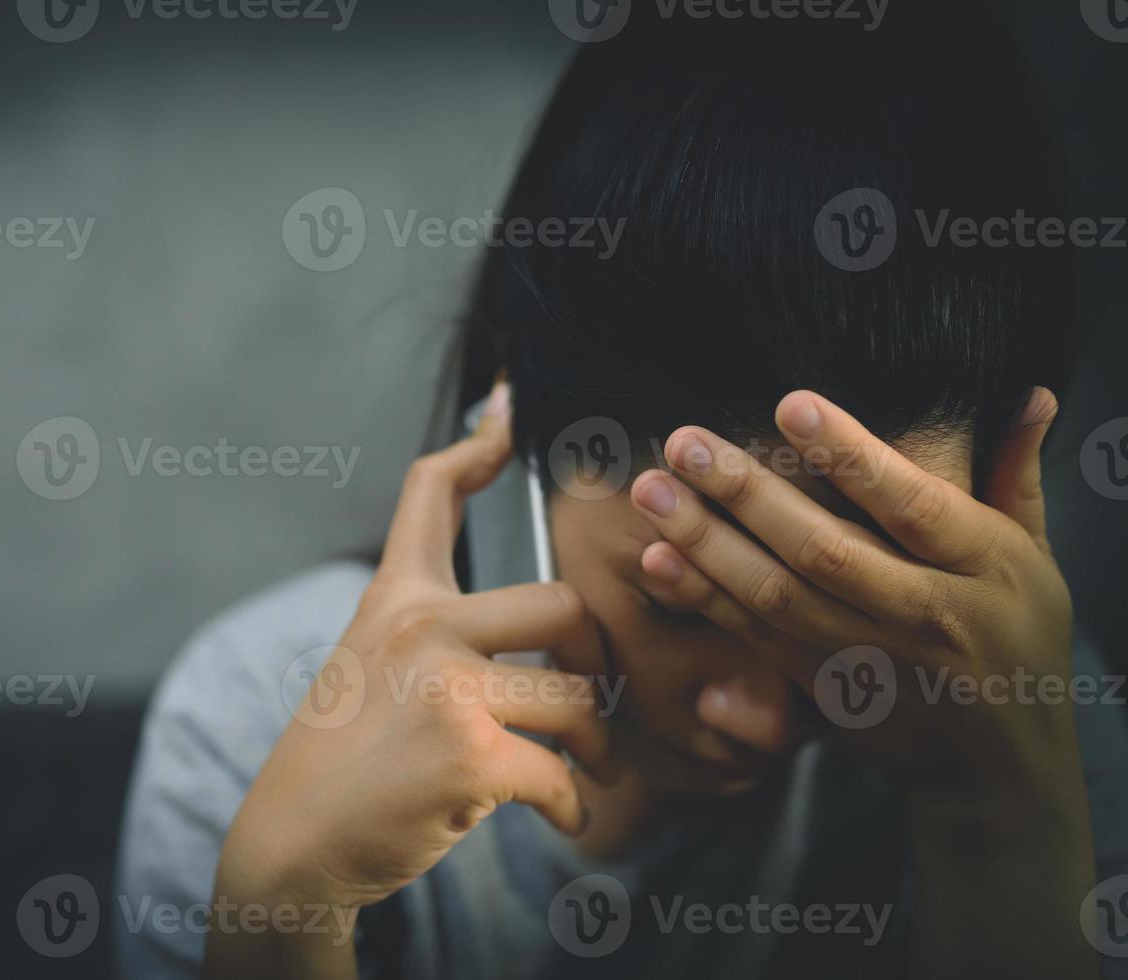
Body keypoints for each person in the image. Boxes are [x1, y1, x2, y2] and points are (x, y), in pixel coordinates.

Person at [118, 5, 1128, 977]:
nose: (759, 719)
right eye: (676, 601)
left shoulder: (1017, 715)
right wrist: (287, 905)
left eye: (847, 617)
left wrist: (1002, 830)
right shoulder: (255, 720)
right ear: (514, 426)